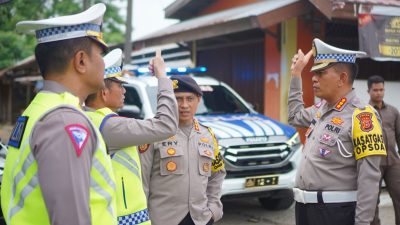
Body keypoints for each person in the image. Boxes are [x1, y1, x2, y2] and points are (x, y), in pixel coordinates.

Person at [1, 4, 117, 225]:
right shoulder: (65, 122)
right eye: (101, 54)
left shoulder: (39, 107)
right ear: (81, 61)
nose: (104, 63)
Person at [288, 38, 387, 225]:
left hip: (335, 214)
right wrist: (295, 74)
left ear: (342, 78)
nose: (314, 78)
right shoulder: (321, 109)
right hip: (305, 210)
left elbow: (369, 180)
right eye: (313, 73)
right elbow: (294, 116)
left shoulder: (362, 116)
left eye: (321, 73)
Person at [84, 48, 178, 225]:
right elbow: (166, 125)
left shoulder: (87, 118)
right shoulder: (110, 126)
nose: (124, 91)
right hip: (124, 219)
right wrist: (162, 77)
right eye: (120, 86)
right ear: (104, 92)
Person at [140, 75, 226, 225]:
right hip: (163, 220)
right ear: (168, 101)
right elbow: (141, 181)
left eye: (189, 99)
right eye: (178, 99)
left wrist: (213, 209)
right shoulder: (153, 133)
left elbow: (217, 173)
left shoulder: (208, 135)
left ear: (199, 99)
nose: (184, 105)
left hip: (200, 219)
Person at [367, 75, 400, 225]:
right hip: (373, 163)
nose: (379, 93)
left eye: (381, 90)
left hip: (393, 163)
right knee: (372, 200)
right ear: (369, 91)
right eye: (375, 90)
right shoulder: (363, 113)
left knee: (399, 196)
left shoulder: (393, 112)